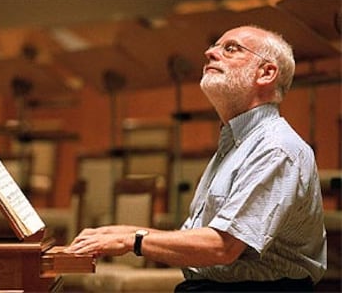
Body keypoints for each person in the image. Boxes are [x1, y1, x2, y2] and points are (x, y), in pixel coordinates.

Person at [65, 25, 327, 292]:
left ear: (266, 73)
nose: (209, 52)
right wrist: (122, 231)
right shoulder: (237, 144)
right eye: (215, 46)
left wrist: (131, 240)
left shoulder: (275, 148)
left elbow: (223, 247)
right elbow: (203, 239)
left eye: (230, 48)